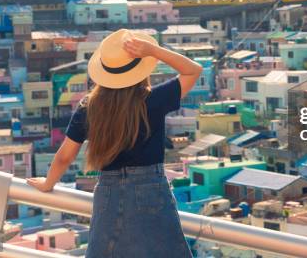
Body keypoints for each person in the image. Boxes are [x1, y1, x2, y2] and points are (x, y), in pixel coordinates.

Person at [27, 29, 202, 258]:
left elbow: (64, 157)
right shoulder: (152, 100)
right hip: (151, 187)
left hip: (108, 191)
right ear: (141, 69)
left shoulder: (89, 107)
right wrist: (154, 51)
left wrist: (48, 183)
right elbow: (193, 70)